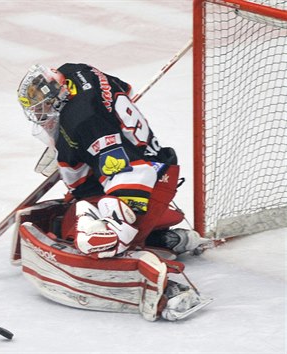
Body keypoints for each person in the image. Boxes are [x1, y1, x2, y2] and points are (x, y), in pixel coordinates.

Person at [12, 63, 212, 321]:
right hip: (151, 162)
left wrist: (115, 224)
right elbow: (123, 90)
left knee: (93, 238)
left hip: (145, 181)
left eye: (46, 108)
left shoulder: (81, 122)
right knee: (76, 214)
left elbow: (130, 175)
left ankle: (169, 289)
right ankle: (167, 239)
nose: (44, 115)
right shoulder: (76, 71)